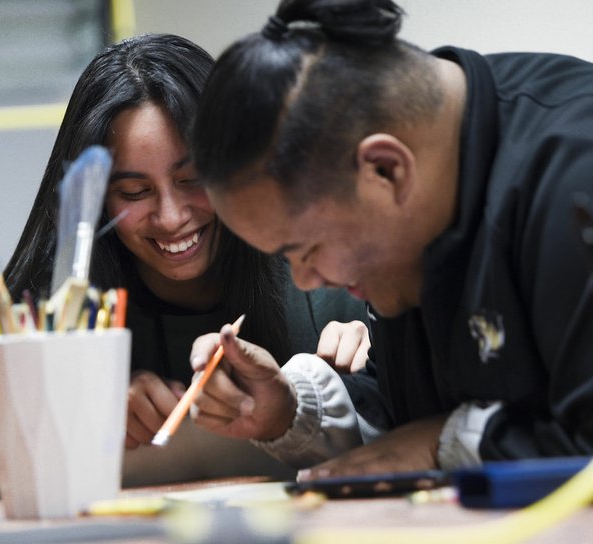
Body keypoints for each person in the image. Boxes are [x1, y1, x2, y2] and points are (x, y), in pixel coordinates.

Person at [0, 33, 382, 501]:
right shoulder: (43, 319)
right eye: (134, 193)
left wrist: (358, 377)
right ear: (97, 201)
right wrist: (81, 415)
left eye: (193, 179)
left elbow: (421, 454)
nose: (172, 217)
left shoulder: (321, 275)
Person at [186, 0, 593, 478]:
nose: (310, 280)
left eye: (307, 249)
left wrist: (442, 441)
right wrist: (288, 409)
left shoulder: (573, 177)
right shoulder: (420, 205)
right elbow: (403, 418)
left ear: (385, 169)